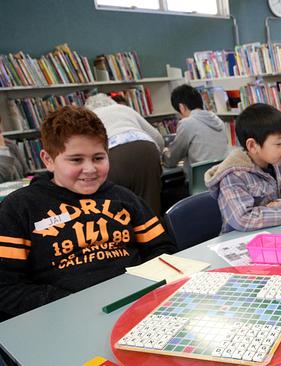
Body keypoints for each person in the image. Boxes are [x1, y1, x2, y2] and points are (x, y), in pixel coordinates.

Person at [0, 106, 175, 319]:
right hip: (64, 316)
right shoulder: (19, 208)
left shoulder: (124, 198)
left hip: (134, 304)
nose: (90, 169)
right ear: (48, 160)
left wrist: (140, 287)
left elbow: (162, 248)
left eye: (98, 158)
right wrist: (73, 303)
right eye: (76, 160)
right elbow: (7, 287)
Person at [204, 103, 281, 233]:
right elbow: (244, 220)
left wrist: (277, 206)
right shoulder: (233, 176)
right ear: (252, 146)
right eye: (279, 143)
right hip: (244, 242)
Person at [85, 93, 165, 216]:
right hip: (145, 149)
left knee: (117, 208)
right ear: (111, 102)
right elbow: (158, 138)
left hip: (112, 155)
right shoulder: (124, 109)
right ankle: (155, 233)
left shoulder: (89, 117)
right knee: (150, 207)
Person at [163, 84, 229, 170]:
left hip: (202, 180)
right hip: (223, 176)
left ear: (181, 107)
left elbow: (171, 160)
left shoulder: (186, 123)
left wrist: (164, 152)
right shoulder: (217, 119)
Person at [0, 116, 29, 183]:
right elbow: (4, 177)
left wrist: (27, 185)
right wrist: (2, 149)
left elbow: (26, 174)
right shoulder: (3, 147)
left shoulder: (10, 145)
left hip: (21, 191)